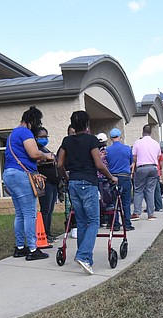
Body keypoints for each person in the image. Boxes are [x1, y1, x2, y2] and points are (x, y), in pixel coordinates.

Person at [57, 111, 117, 275]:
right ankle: (83, 256)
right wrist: (111, 177)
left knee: (82, 222)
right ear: (87, 125)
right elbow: (98, 164)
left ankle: (85, 259)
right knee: (94, 222)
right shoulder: (91, 140)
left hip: (74, 184)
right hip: (88, 183)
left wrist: (66, 177)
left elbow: (60, 163)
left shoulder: (67, 141)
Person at [3, 106, 55, 260]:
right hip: (21, 174)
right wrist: (47, 156)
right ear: (32, 121)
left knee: (19, 213)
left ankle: (20, 248)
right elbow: (33, 153)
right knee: (29, 213)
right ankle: (33, 249)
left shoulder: (12, 134)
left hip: (9, 173)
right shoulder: (25, 131)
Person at [104, 127, 134, 231]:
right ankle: (127, 224)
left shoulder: (107, 151)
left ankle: (115, 224)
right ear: (120, 137)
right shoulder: (127, 149)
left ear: (111, 138)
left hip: (113, 177)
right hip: (125, 177)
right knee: (126, 202)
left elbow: (107, 163)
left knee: (114, 202)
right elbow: (130, 162)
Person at [131, 124, 162, 221]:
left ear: (142, 132)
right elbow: (158, 157)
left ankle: (136, 213)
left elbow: (134, 157)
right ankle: (151, 214)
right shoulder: (156, 143)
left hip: (142, 167)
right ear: (151, 133)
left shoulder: (138, 142)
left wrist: (134, 166)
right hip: (153, 167)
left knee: (138, 190)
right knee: (150, 191)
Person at [34, 126, 58, 244]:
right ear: (35, 138)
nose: (44, 139)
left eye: (45, 137)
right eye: (41, 137)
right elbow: (37, 162)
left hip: (53, 183)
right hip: (45, 182)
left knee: (50, 209)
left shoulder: (45, 149)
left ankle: (48, 232)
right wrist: (47, 160)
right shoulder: (36, 150)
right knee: (45, 209)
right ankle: (44, 234)